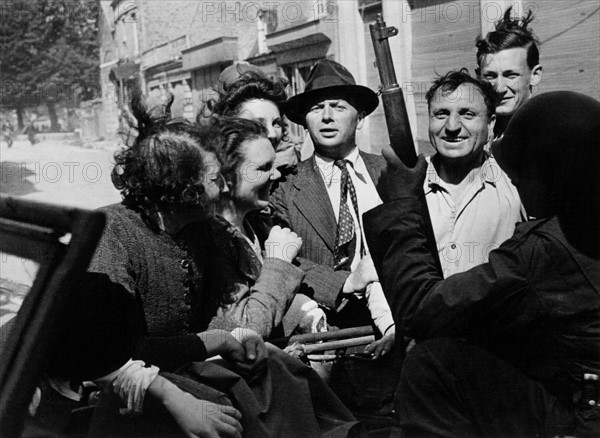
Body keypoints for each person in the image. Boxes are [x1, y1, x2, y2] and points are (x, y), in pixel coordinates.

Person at [34, 92, 360, 438]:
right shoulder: (113, 234)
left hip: (166, 367)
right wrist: (193, 372)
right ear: (182, 187)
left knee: (279, 370)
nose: (223, 187)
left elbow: (222, 308)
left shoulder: (197, 231)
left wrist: (227, 338)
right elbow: (102, 353)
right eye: (214, 178)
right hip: (98, 390)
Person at [364, 91, 600, 437]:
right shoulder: (581, 228)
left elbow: (421, 311)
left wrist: (400, 204)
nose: (517, 184)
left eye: (521, 176)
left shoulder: (547, 249)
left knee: (434, 363)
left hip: (582, 420)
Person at [272, 59, 395, 354]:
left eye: (338, 107)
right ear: (305, 121)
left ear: (361, 117)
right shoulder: (285, 187)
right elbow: (284, 261)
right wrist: (346, 283)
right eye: (316, 108)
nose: (327, 117)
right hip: (325, 338)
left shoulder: (390, 173)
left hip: (395, 325)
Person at [202, 116, 325, 337]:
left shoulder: (255, 223)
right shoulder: (212, 241)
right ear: (224, 179)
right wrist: (278, 262)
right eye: (264, 167)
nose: (276, 174)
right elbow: (246, 331)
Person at [423, 69, 524, 278]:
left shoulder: (515, 185)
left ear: (491, 124)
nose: (452, 126)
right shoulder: (406, 183)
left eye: (468, 114)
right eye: (441, 114)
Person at [209, 62, 300, 176]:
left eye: (276, 123)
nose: (272, 134)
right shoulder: (209, 177)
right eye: (257, 124)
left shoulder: (293, 174)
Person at [476, 6, 542, 141]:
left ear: (535, 75)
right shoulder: (475, 135)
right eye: (490, 76)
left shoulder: (550, 131)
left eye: (511, 75)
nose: (499, 88)